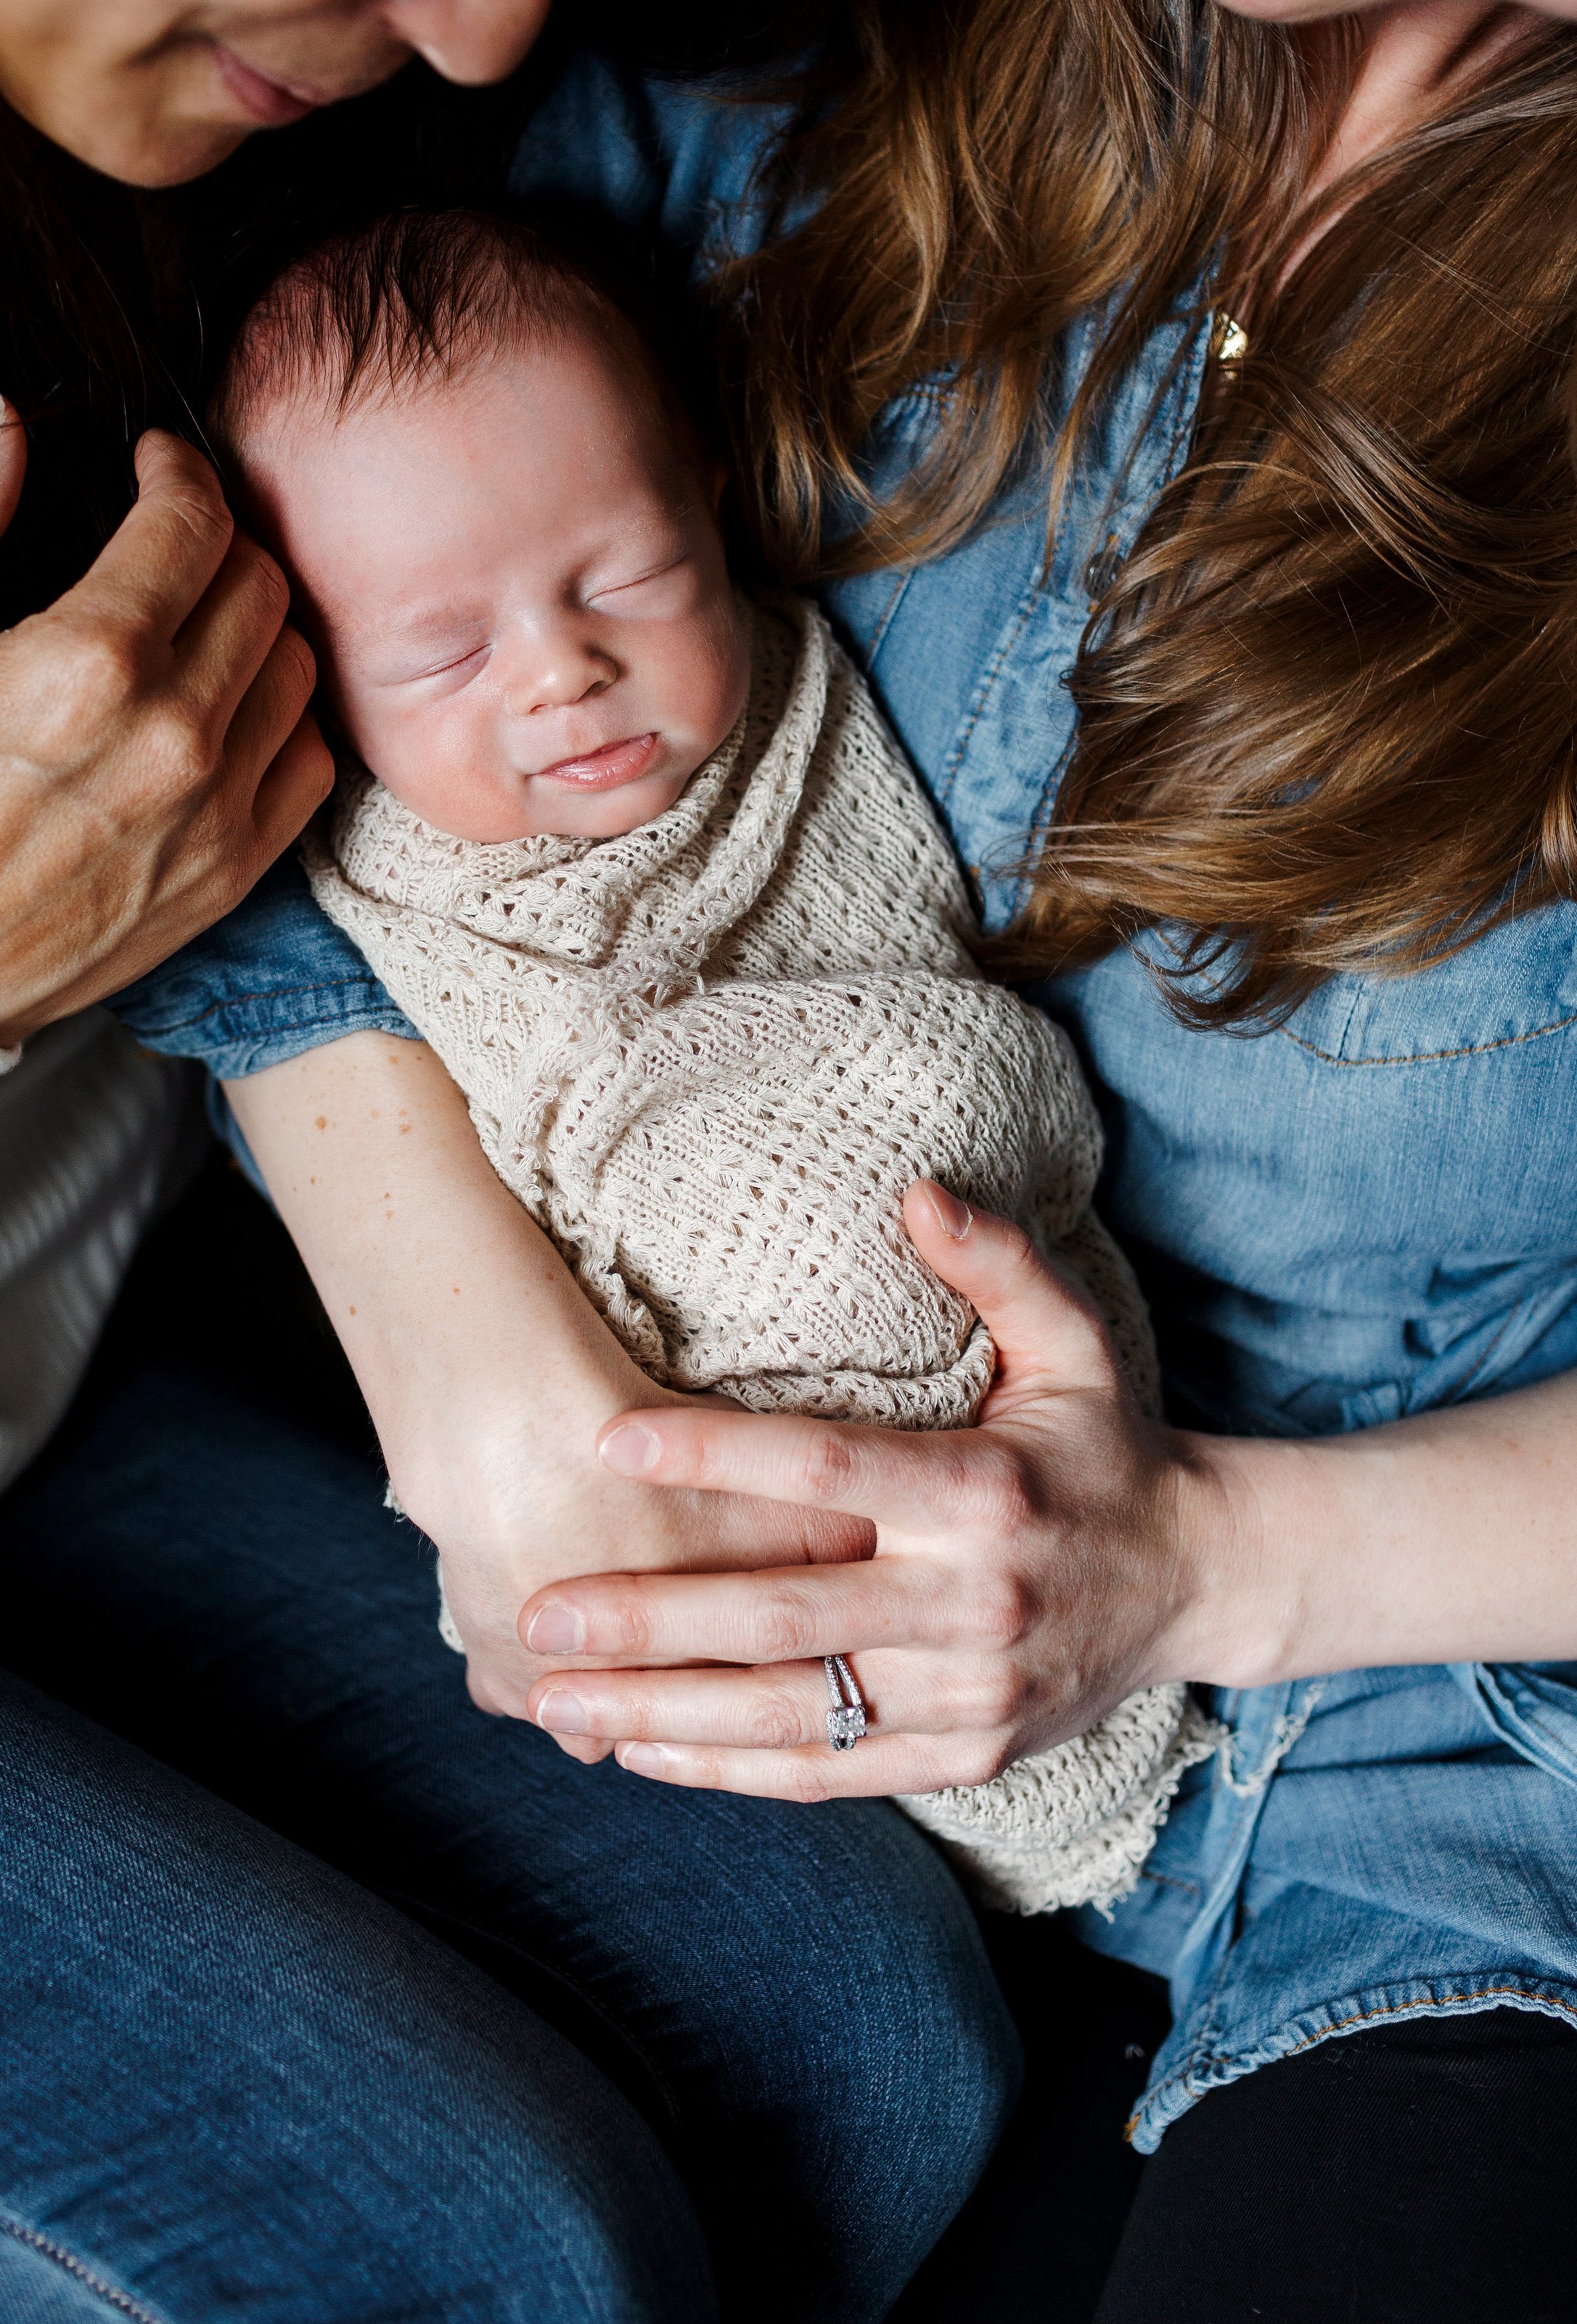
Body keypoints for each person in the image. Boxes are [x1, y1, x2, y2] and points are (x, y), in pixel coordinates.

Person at [118, 0, 1577, 2317]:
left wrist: (1218, 1565)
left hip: (1457, 1786)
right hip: (731, 1600)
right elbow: (270, 715)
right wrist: (469, 1368)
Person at [0, 0, 1032, 2320]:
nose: (487, 33)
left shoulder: (172, 140)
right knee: (468, 2254)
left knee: (869, 2058)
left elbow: (315, 833)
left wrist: (467, 1347)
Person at [203, 200, 1197, 1907]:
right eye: (442, 651)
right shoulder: (368, 874)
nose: (564, 672)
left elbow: (975, 1072)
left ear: (713, 518)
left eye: (626, 579)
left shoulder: (796, 730)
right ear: (312, 681)